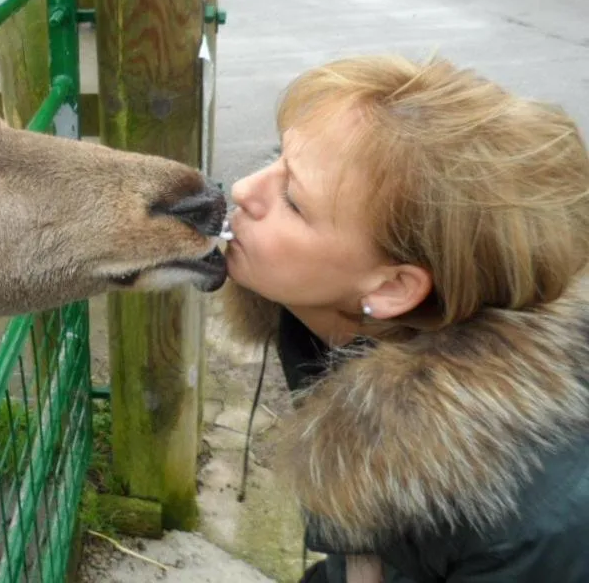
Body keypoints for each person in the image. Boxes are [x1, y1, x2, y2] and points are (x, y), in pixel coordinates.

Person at [220, 55, 589, 583]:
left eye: (294, 202)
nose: (242, 189)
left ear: (393, 288)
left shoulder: (530, 526)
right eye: (276, 157)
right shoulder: (344, 329)